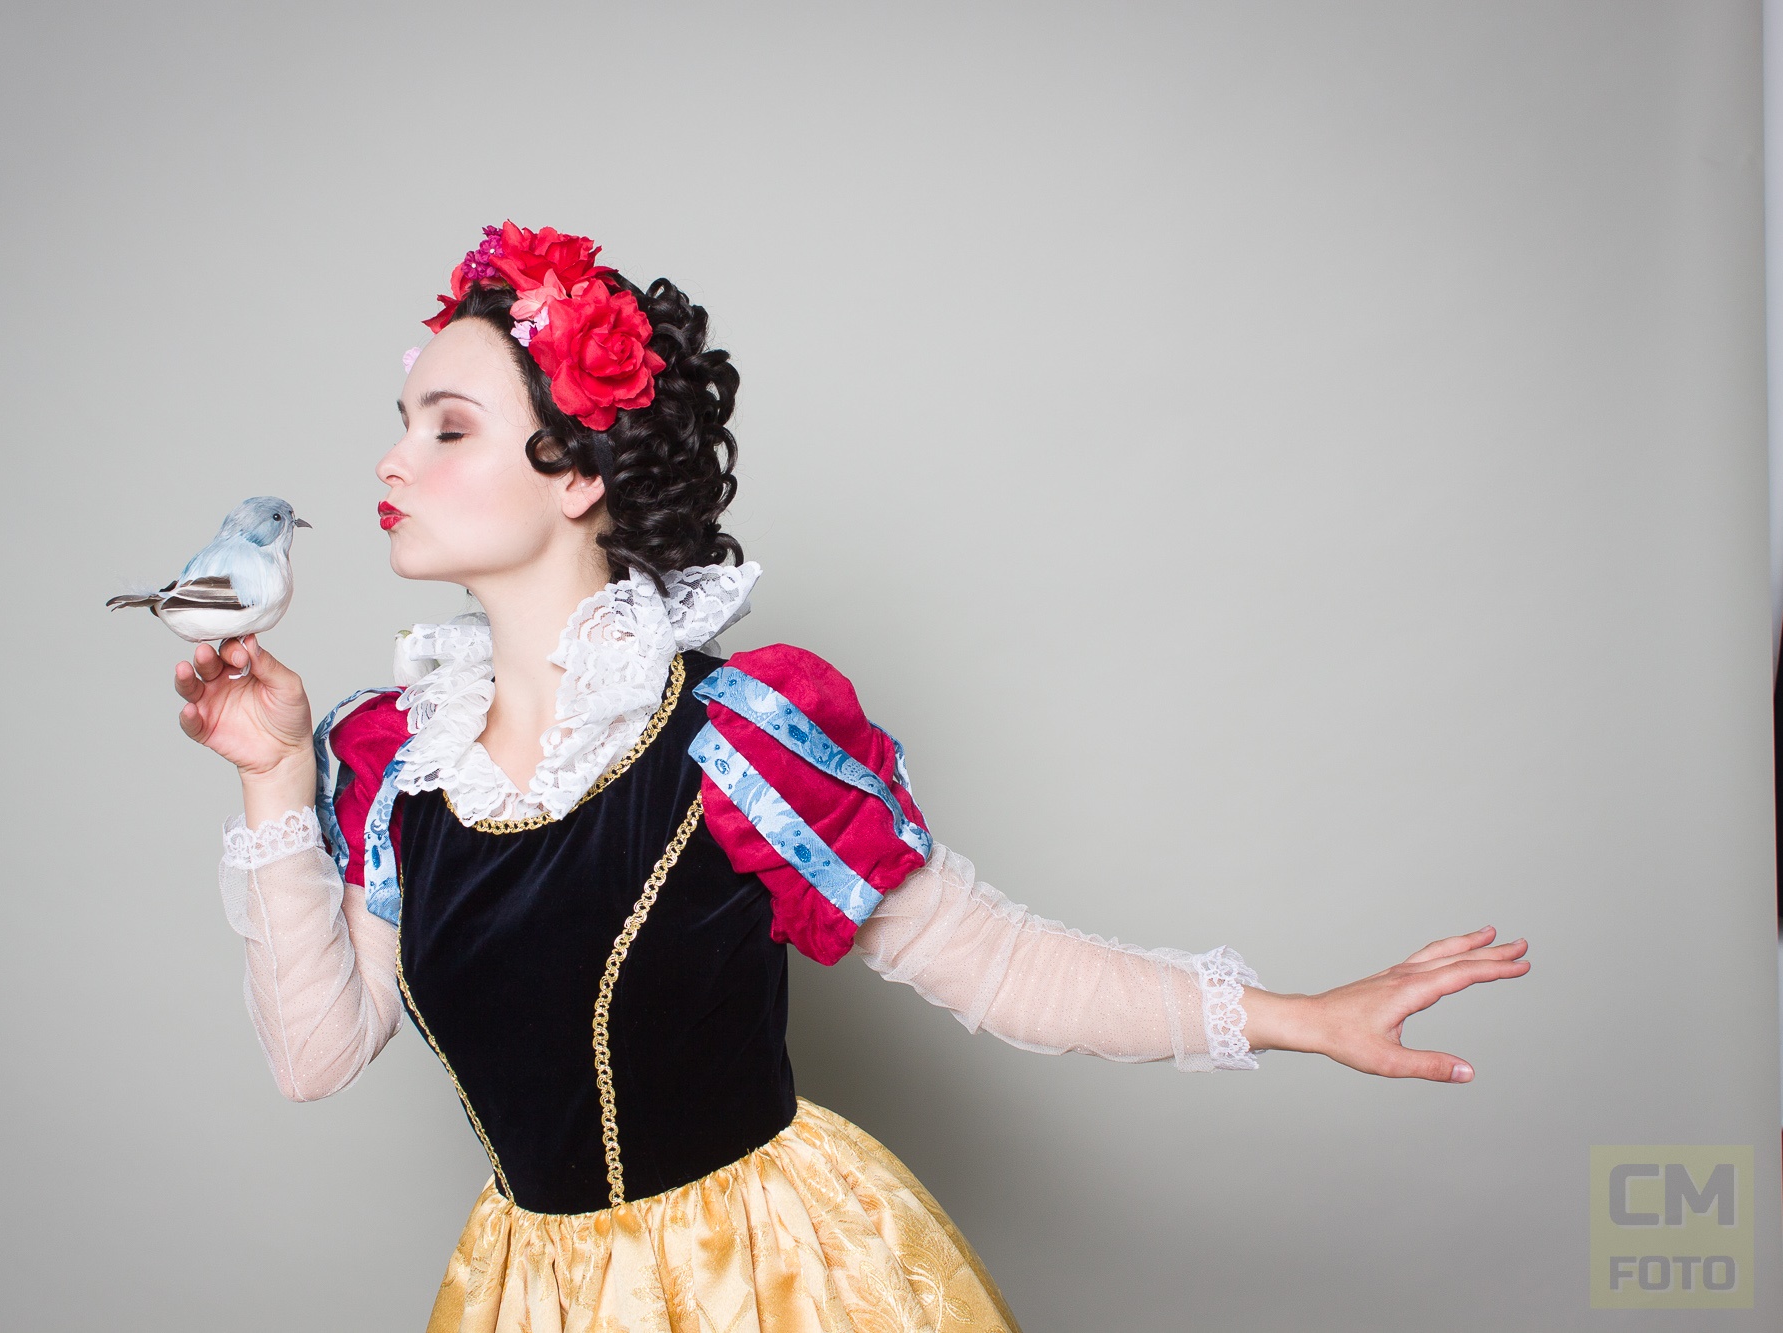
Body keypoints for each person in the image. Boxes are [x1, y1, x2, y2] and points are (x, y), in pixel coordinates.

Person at [171, 222, 1532, 1332]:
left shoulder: (737, 739)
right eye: (403, 423)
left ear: (575, 472)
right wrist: (275, 773)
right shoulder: (396, 765)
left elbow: (995, 961)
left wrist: (1300, 1017)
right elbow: (316, 1057)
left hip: (776, 1283)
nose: (392, 461)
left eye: (447, 427)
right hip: (539, 1300)